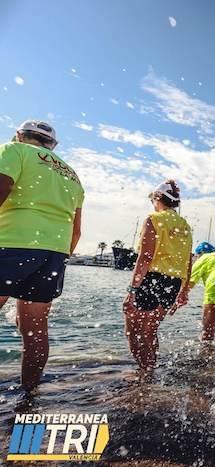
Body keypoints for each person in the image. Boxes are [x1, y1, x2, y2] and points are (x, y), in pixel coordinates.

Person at [0, 120, 84, 393]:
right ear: (52, 145)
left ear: (20, 135)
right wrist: (58, 258)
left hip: (11, 243)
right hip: (54, 254)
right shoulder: (71, 175)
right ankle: (29, 394)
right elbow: (76, 231)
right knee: (35, 331)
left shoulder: (15, 150)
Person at [122, 180, 193, 378]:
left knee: (133, 328)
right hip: (174, 282)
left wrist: (132, 291)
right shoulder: (185, 225)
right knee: (150, 329)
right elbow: (188, 260)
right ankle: (149, 370)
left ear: (157, 199)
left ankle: (144, 372)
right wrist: (184, 290)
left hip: (152, 278)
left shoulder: (154, 219)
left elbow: (145, 257)